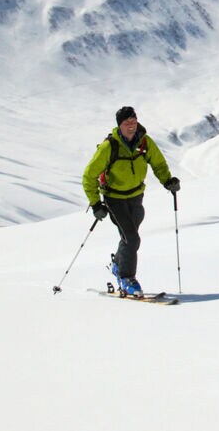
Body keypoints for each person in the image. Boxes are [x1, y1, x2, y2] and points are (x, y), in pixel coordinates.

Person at [82, 105, 180, 296]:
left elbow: (158, 163)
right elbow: (88, 176)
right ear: (120, 125)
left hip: (136, 196)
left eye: (134, 122)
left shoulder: (144, 142)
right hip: (114, 199)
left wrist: (168, 181)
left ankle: (118, 264)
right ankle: (127, 278)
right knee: (132, 238)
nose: (132, 126)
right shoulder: (109, 147)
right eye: (127, 123)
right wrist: (95, 204)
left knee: (129, 237)